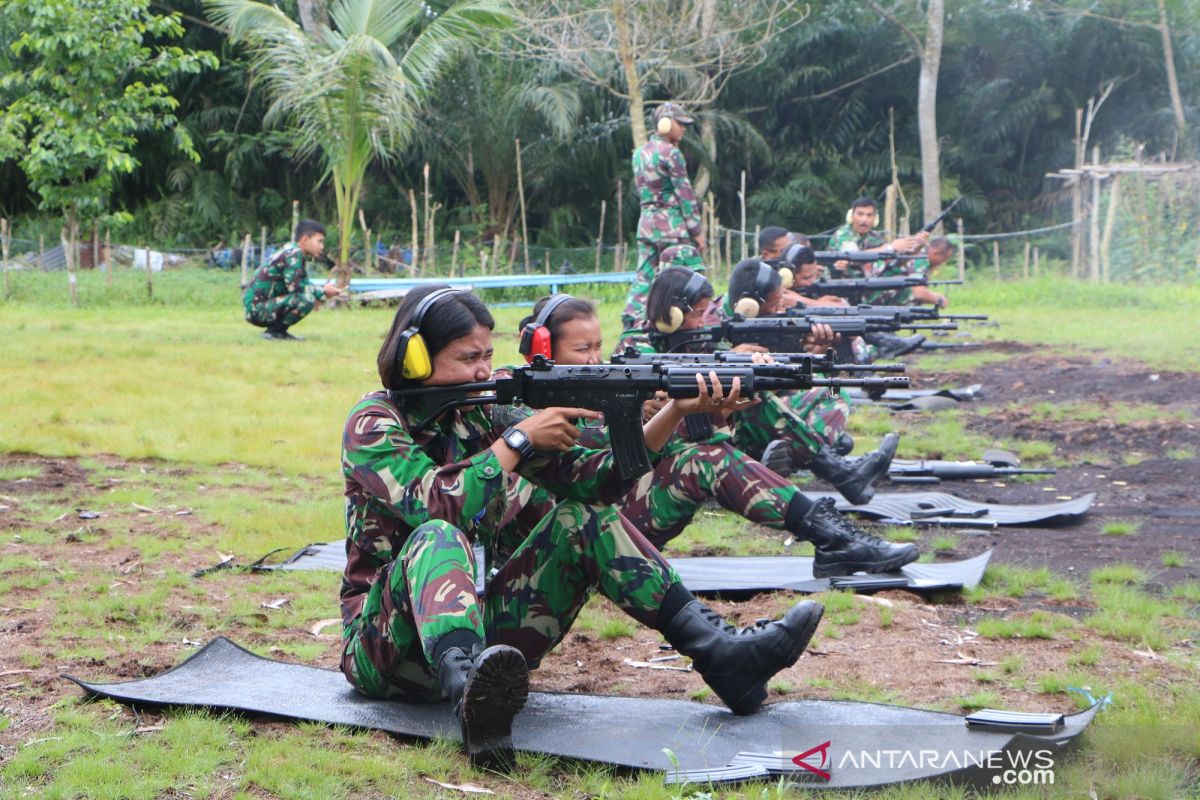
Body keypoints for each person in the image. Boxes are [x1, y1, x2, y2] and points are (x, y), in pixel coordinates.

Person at [340, 286, 824, 768]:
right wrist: (517, 442)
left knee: (581, 515)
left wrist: (676, 411)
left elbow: (596, 483)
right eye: (468, 358)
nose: (484, 371)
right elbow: (438, 507)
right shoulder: (375, 422)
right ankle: (470, 696)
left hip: (485, 643)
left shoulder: (483, 412)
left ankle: (720, 654)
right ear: (415, 360)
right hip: (387, 649)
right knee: (439, 537)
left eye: (488, 354)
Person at [519, 295, 918, 575]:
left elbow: (642, 455)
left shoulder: (603, 387)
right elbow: (598, 470)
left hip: (610, 518)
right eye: (581, 349)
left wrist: (702, 410)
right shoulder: (526, 406)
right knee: (707, 460)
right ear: (544, 350)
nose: (594, 358)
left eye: (598, 346)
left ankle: (831, 533)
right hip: (571, 535)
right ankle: (834, 536)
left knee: (706, 453)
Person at [620, 267, 899, 504]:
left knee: (794, 390)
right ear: (672, 314)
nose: (703, 321)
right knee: (751, 394)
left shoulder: (696, 340)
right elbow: (648, 402)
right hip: (657, 447)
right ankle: (836, 469)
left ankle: (822, 462)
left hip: (706, 428)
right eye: (698, 313)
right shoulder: (635, 346)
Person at [621, 102, 706, 330]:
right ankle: (677, 322)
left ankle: (632, 321)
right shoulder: (672, 153)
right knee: (680, 277)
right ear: (665, 123)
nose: (684, 129)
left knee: (644, 276)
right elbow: (685, 194)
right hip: (672, 226)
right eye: (680, 124)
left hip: (647, 225)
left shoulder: (639, 153)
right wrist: (697, 231)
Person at [243, 219, 341, 340]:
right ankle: (275, 332)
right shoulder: (293, 254)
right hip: (256, 310)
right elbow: (295, 288)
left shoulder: (292, 252)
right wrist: (323, 291)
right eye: (319, 241)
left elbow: (304, 283)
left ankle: (280, 332)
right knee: (305, 298)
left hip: (259, 307)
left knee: (306, 295)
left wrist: (321, 293)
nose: (322, 246)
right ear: (305, 240)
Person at [827, 197, 928, 277]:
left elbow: (892, 262)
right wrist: (891, 247)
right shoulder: (843, 234)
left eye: (869, 215)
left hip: (868, 282)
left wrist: (915, 247)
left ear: (875, 218)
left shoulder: (875, 237)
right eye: (860, 214)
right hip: (845, 285)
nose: (864, 220)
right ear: (851, 215)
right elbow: (855, 257)